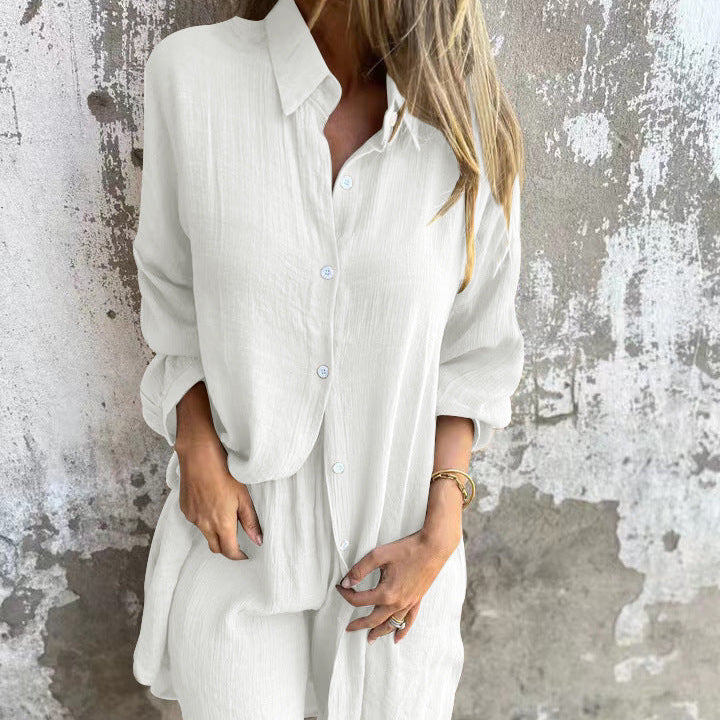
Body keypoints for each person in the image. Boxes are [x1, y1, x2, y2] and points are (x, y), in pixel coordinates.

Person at [130, 0, 525, 718]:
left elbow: (474, 352)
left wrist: (441, 529)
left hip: (397, 558)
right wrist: (195, 446)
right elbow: (171, 292)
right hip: (239, 544)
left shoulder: (468, 129)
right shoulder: (193, 77)